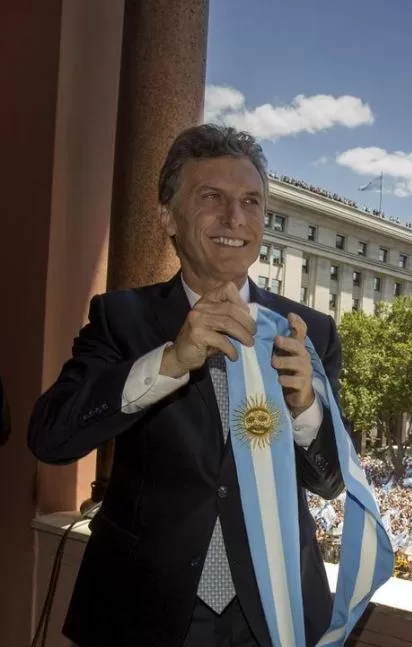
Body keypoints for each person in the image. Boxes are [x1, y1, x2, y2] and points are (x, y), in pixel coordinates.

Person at [28, 124, 345, 647]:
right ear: (168, 217)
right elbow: (51, 437)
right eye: (211, 197)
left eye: (251, 202)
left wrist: (306, 407)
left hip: (275, 613)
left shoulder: (308, 331)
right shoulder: (121, 318)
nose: (235, 218)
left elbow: (330, 482)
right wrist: (171, 361)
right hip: (142, 611)